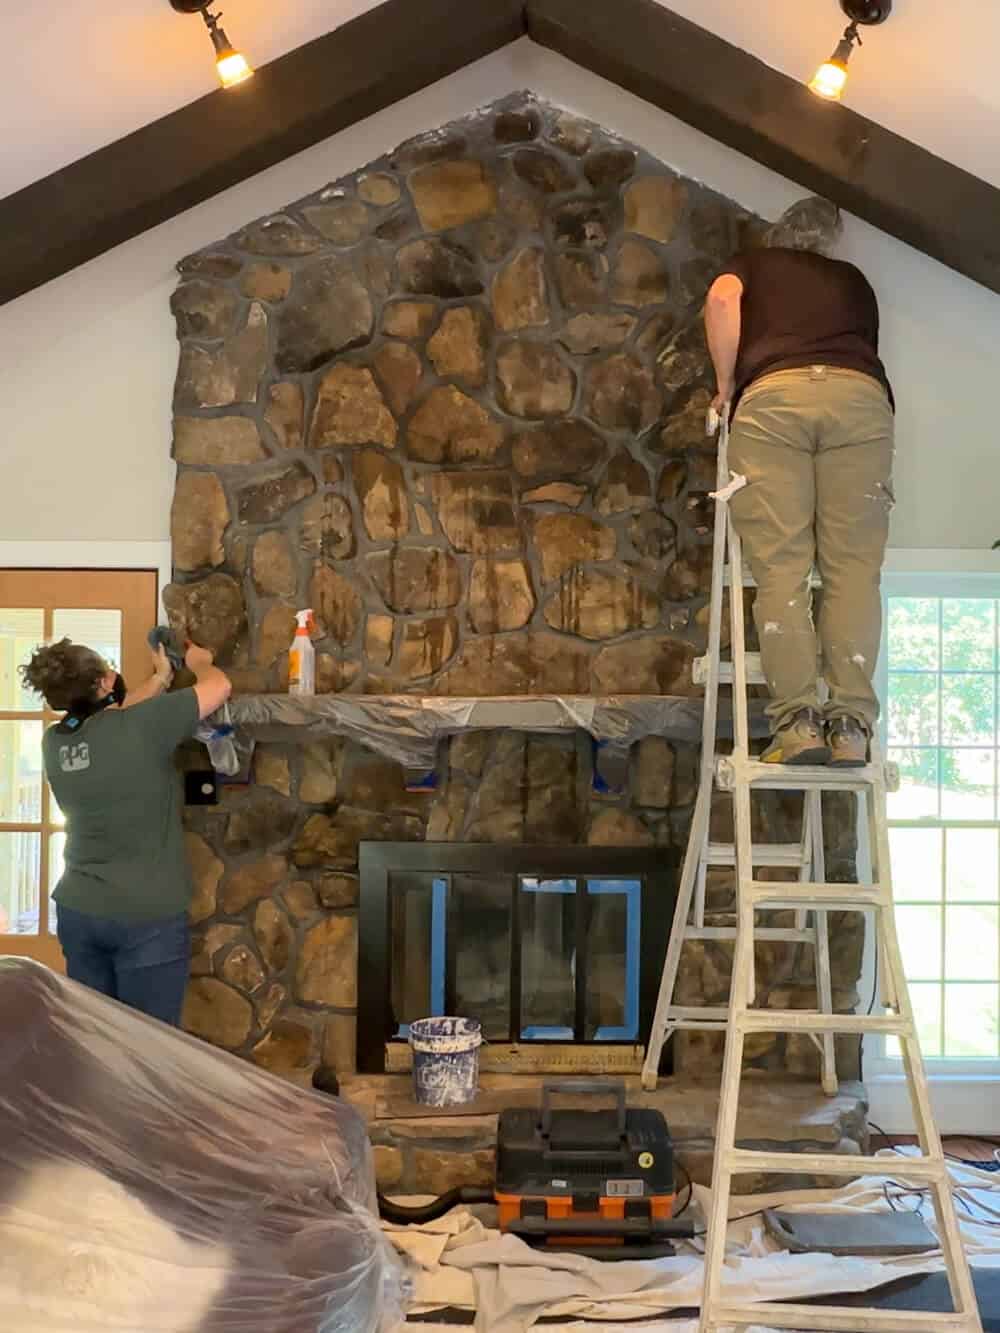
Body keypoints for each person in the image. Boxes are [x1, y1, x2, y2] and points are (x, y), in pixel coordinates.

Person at [704, 196, 895, 767]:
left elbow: (721, 298)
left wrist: (725, 386)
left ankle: (799, 726)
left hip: (775, 401)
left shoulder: (752, 265)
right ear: (828, 241)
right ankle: (851, 729)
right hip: (860, 403)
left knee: (783, 568)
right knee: (853, 572)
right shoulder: (854, 282)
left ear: (778, 234)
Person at [20, 637, 232, 1024]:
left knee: (99, 1040)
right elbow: (219, 687)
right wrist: (200, 662)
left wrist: (161, 680)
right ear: (103, 683)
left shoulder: (55, 741)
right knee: (149, 1046)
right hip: (146, 918)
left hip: (80, 912)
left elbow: (112, 720)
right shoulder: (142, 727)